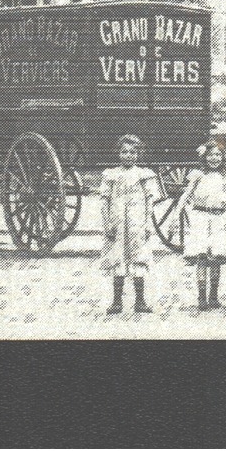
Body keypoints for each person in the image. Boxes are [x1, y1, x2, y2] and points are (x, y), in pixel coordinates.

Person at [175, 141, 226, 310]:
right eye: (210, 155)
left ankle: (213, 296)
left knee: (216, 257)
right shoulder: (198, 175)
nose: (214, 159)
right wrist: (176, 215)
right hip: (200, 217)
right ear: (204, 157)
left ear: (222, 157)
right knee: (202, 257)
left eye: (218, 155)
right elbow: (185, 195)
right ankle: (201, 297)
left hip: (219, 218)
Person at [100, 134, 160, 315]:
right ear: (118, 153)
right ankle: (117, 301)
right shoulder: (111, 175)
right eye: (124, 152)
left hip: (137, 224)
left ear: (138, 154)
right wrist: (107, 224)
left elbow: (150, 202)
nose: (128, 155)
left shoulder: (144, 175)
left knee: (138, 258)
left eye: (133, 152)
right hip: (117, 223)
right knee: (118, 257)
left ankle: (140, 301)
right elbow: (104, 202)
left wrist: (148, 224)